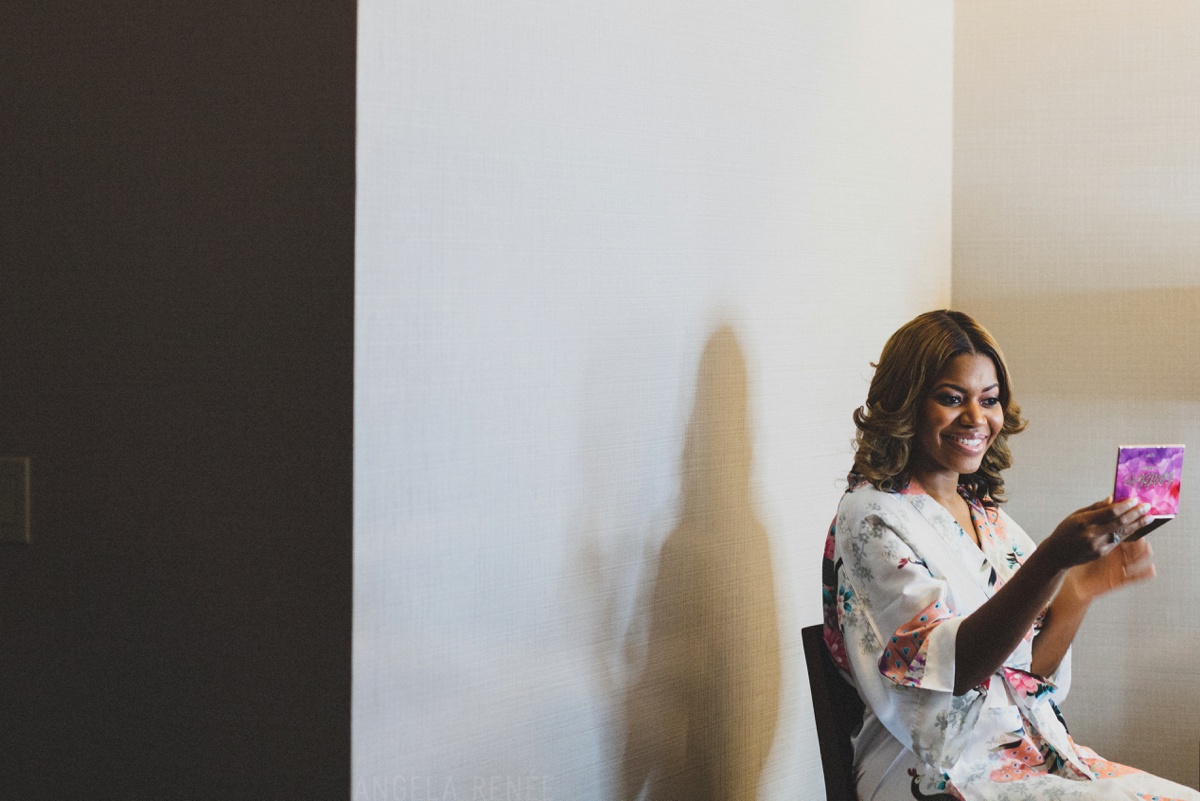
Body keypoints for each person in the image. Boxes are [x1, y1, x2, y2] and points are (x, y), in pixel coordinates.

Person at [821, 310, 1199, 801]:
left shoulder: (987, 518)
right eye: (952, 398)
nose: (977, 420)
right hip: (930, 770)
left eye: (990, 400)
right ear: (907, 403)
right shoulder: (870, 517)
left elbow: (1030, 673)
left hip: (1024, 754)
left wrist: (1080, 589)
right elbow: (957, 670)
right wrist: (1051, 560)